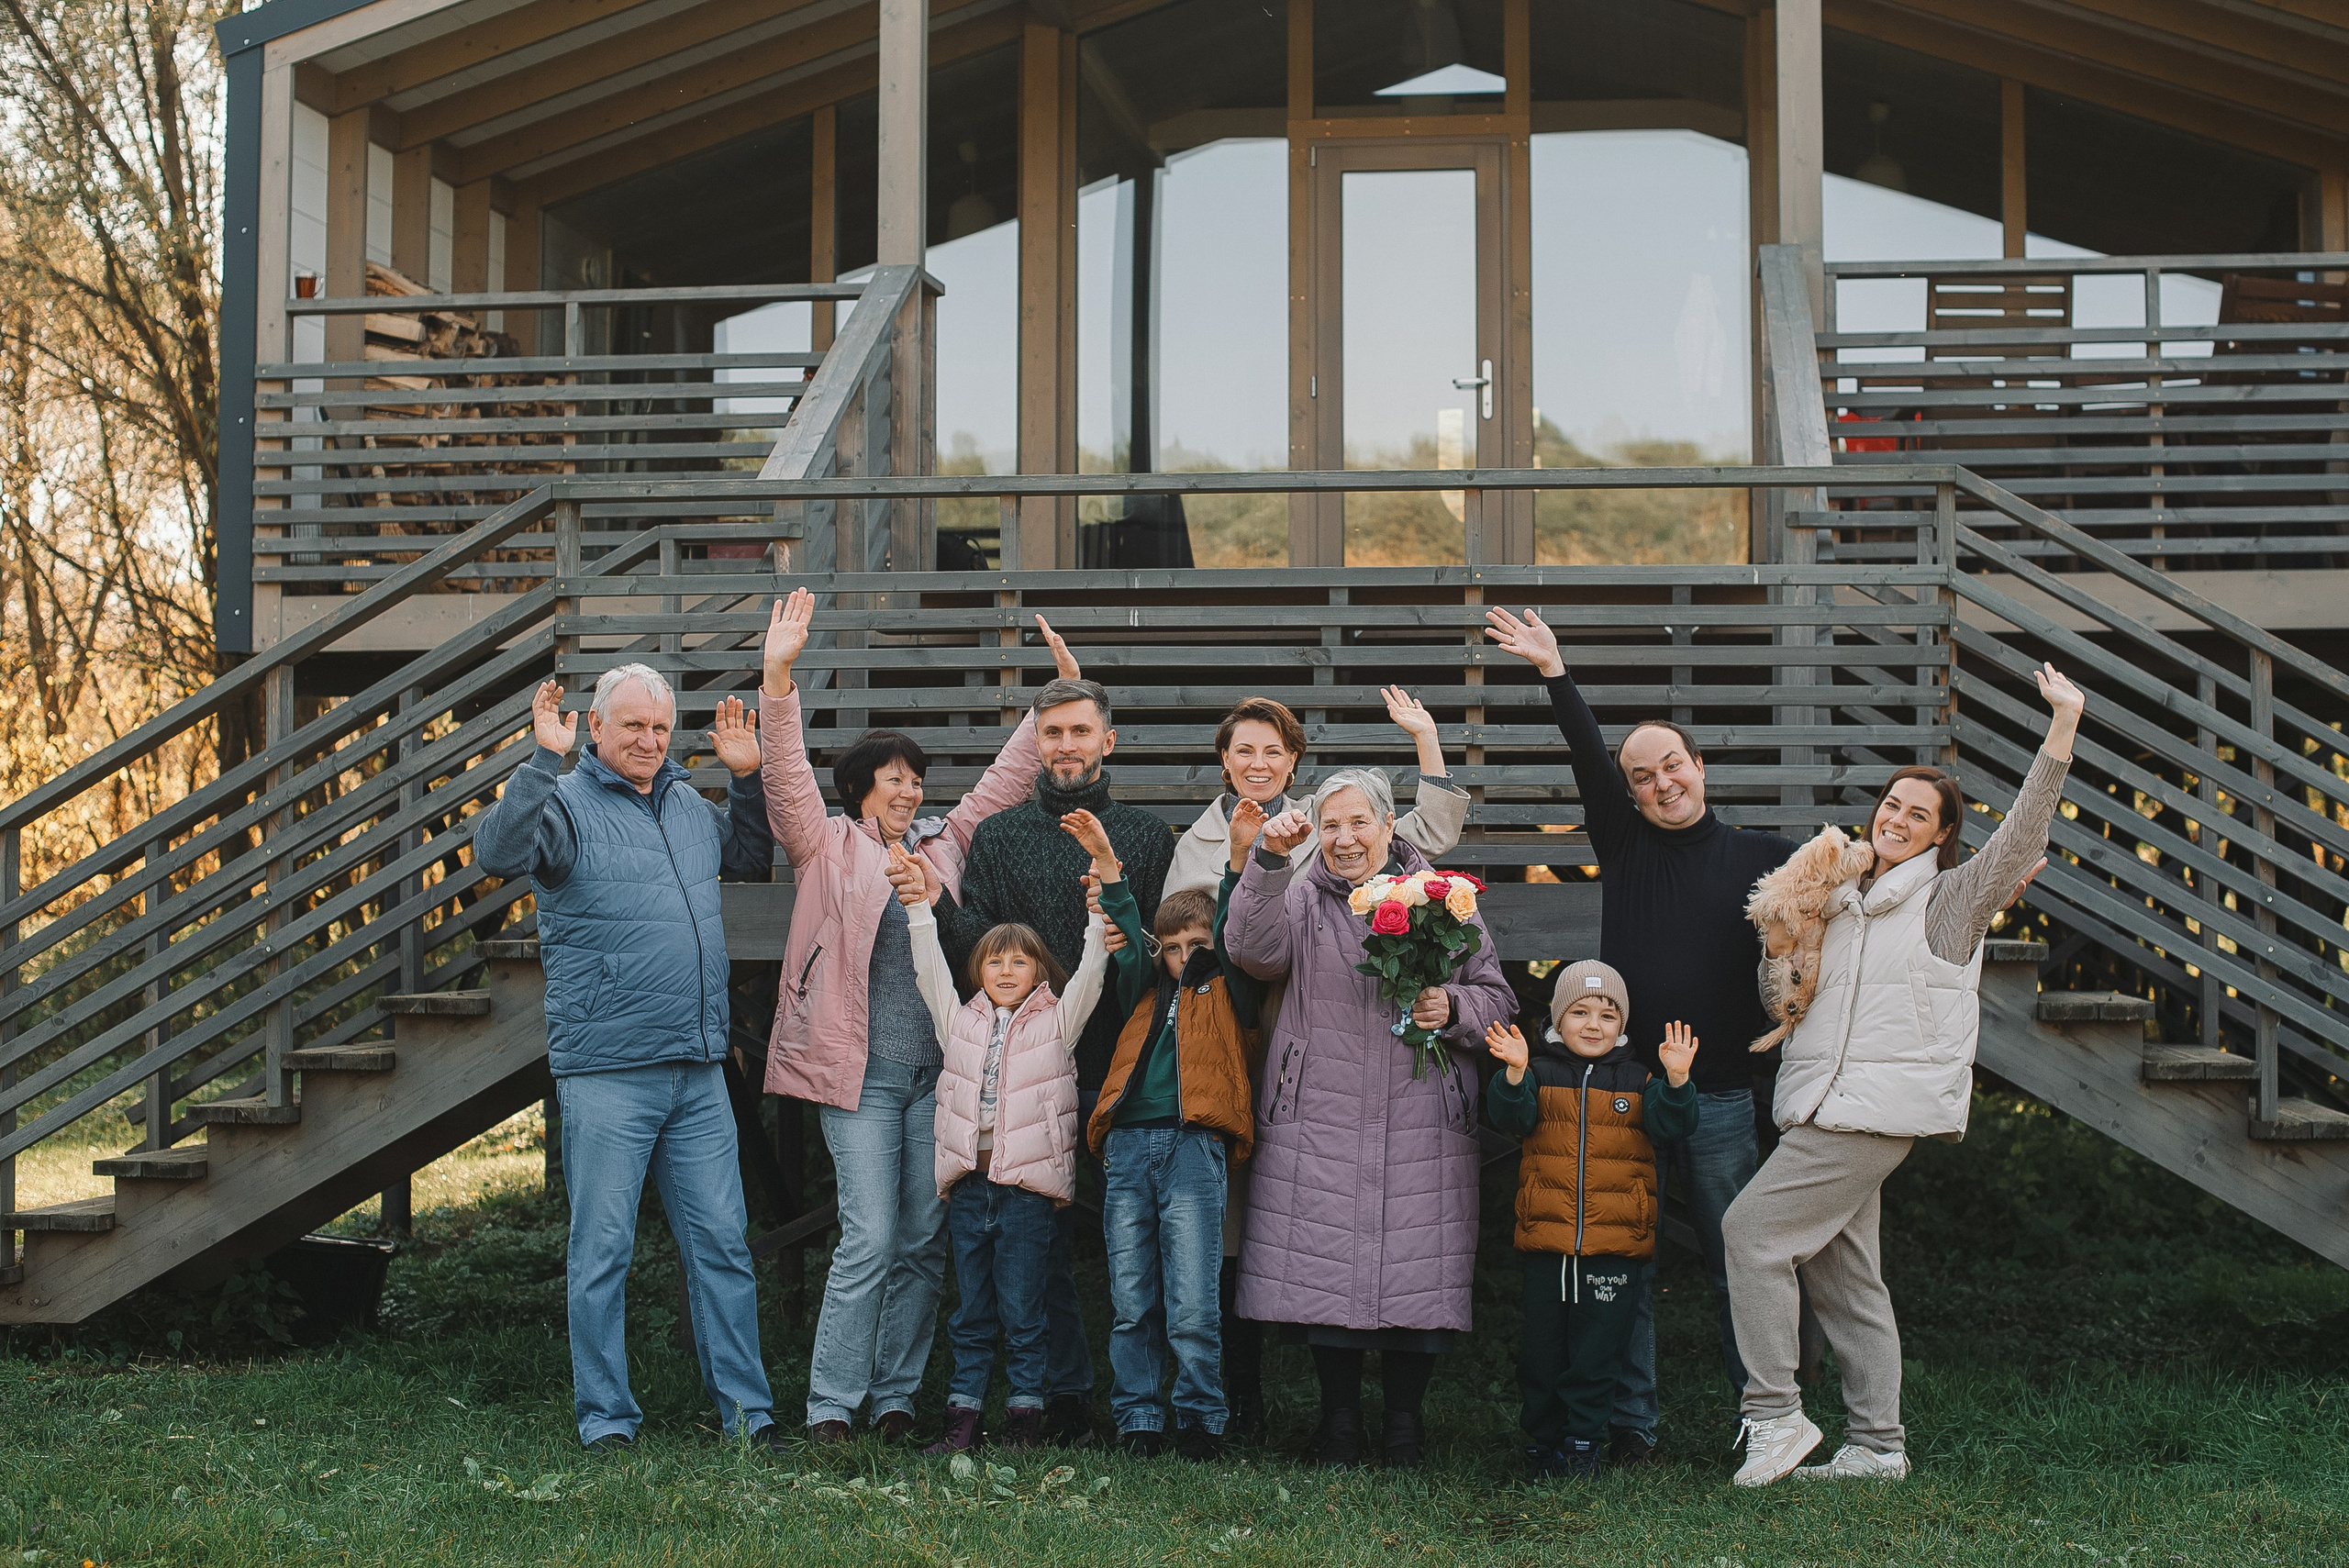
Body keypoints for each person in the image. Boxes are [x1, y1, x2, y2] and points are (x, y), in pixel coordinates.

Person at [1722, 663, 2083, 1488]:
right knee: (1846, 1276)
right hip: (1817, 1100)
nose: (1898, 818)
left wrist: (2062, 724)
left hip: (1874, 1110)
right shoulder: (1837, 896)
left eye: (1919, 814)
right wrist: (1782, 950)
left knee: (1750, 1233)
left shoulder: (1949, 901)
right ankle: (1878, 1445)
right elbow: (1786, 1004)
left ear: (1939, 836)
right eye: (1891, 804)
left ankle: (1774, 1414)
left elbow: (2023, 837)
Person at [753, 588, 1084, 1444]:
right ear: (863, 787)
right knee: (868, 1234)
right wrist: (777, 679)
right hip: (855, 1076)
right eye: (896, 778)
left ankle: (897, 1398)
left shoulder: (945, 844)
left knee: (922, 1239)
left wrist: (1056, 695)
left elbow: (1004, 781)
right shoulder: (823, 844)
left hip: (936, 1078)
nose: (912, 789)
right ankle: (833, 1404)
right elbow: (786, 781)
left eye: (916, 779)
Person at [1484, 604, 1795, 1462]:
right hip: (1618, 1090)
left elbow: (1853, 886)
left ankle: (1765, 1416)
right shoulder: (1621, 842)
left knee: (1741, 1258)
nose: (1661, 783)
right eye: (1643, 775)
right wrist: (1555, 669)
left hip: (1722, 1090)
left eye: (1672, 766)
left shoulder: (1762, 856)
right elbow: (1588, 754)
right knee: (1630, 1256)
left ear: (1699, 766)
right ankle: (1631, 1424)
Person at [473, 666, 781, 1452]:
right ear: (598, 729)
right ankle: (607, 1419)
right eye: (632, 726)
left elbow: (745, 858)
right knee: (602, 1250)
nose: (648, 740)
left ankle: (748, 1417)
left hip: (699, 1065)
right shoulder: (564, 803)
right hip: (609, 1068)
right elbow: (497, 856)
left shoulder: (684, 802)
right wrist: (541, 760)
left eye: (659, 726)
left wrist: (748, 779)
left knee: (722, 1245)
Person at [1163, 691, 1467, 1440]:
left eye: (1273, 750)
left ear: (1293, 760)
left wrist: (1427, 737)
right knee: (1270, 1234)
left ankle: (1374, 1414)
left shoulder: (1363, 850)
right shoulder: (1224, 847)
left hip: (1347, 1060)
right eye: (1244, 750)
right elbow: (1223, 942)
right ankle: (1248, 1399)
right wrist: (1254, 859)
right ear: (1224, 760)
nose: (1258, 762)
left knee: (1363, 1234)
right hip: (1251, 1047)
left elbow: (1427, 835)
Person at [1221, 768, 1519, 1469]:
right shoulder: (1299, 895)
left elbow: (1497, 996)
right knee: (1328, 1270)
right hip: (1322, 1104)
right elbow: (1251, 950)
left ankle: (1405, 1429)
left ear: (1391, 826)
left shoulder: (1446, 900)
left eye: (1359, 823)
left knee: (1416, 1270)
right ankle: (1342, 1425)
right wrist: (1266, 859)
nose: (1344, 838)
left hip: (1422, 1107)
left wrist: (1454, 1008)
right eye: (1330, 825)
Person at [922, 675, 1179, 1445]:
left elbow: (1155, 949)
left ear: (1109, 739)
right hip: (1030, 1072)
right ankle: (1061, 1395)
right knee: (1043, 1244)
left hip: (1120, 1065)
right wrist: (931, 904)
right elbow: (980, 949)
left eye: (1079, 731)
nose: (1065, 745)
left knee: (1133, 1242)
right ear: (1036, 741)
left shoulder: (1144, 833)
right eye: (1052, 732)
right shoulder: (999, 835)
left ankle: (1147, 1402)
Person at [902, 813, 1121, 1454]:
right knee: (972, 1312)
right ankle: (963, 1419)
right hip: (971, 1188)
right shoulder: (959, 1022)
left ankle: (1025, 1417)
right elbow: (928, 973)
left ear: (1036, 972)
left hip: (1026, 1194)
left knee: (1026, 1311)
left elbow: (1091, 972)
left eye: (1018, 960)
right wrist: (919, 908)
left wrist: (1095, 917)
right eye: (993, 959)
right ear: (979, 968)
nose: (1004, 968)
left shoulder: (1057, 1024)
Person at [1485, 962, 1698, 1482]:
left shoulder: (1637, 1079)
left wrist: (1676, 1081)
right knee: (1542, 1352)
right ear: (1559, 1018)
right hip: (1548, 1241)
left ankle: (1583, 1444)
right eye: (1580, 1012)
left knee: (1597, 1354)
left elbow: (1673, 1125)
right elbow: (1510, 1118)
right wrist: (1514, 1074)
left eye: (1607, 1015)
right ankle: (1542, 1442)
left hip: (1613, 1247)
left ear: (1621, 1025)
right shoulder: (1540, 1072)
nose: (1593, 1024)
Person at [1085, 878, 1262, 1461]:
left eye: (1197, 944)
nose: (1186, 957)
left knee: (1192, 1297)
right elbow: (1128, 938)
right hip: (1129, 1145)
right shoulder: (1144, 987)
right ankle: (1138, 1416)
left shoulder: (1228, 991)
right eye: (1174, 947)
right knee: (1132, 1295)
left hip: (1193, 1145)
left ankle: (1200, 1418)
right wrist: (1110, 872)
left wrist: (1239, 865)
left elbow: (1238, 927)